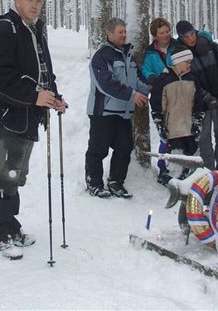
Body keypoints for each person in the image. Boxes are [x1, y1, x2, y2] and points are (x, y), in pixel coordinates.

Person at [0, 0, 66, 260]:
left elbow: (43, 72)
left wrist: (53, 96)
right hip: (5, 118)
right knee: (2, 175)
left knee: (16, 174)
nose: (35, 5)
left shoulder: (34, 30)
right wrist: (34, 96)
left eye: (40, 1)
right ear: (17, 0)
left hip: (26, 116)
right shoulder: (3, 28)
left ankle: (10, 228)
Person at [85, 18, 150, 198]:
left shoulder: (127, 56)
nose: (124, 35)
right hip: (103, 113)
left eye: (124, 31)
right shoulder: (101, 57)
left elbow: (136, 80)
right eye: (120, 32)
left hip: (124, 113)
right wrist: (132, 95)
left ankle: (116, 182)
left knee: (124, 147)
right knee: (98, 149)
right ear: (109, 33)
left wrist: (152, 86)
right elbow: (106, 84)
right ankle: (94, 183)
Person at [175, 20, 218, 172]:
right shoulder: (181, 55)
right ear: (181, 38)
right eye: (186, 36)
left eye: (192, 34)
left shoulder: (212, 47)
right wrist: (206, 97)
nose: (191, 39)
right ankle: (208, 175)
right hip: (200, 105)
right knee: (204, 141)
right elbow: (187, 79)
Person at [149, 46, 211, 184]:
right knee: (175, 154)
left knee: (192, 152)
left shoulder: (193, 79)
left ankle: (188, 178)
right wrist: (159, 123)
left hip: (189, 126)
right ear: (177, 62)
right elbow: (156, 104)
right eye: (187, 62)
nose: (190, 65)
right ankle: (169, 177)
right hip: (172, 128)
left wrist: (197, 121)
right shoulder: (164, 80)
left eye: (190, 62)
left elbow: (198, 102)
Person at [141, 17, 178, 182]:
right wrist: (154, 78)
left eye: (167, 31)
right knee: (165, 134)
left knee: (181, 133)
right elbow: (146, 71)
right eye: (162, 32)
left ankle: (179, 167)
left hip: (180, 95)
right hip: (160, 98)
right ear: (155, 35)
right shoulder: (150, 53)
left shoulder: (177, 47)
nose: (166, 35)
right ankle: (163, 168)